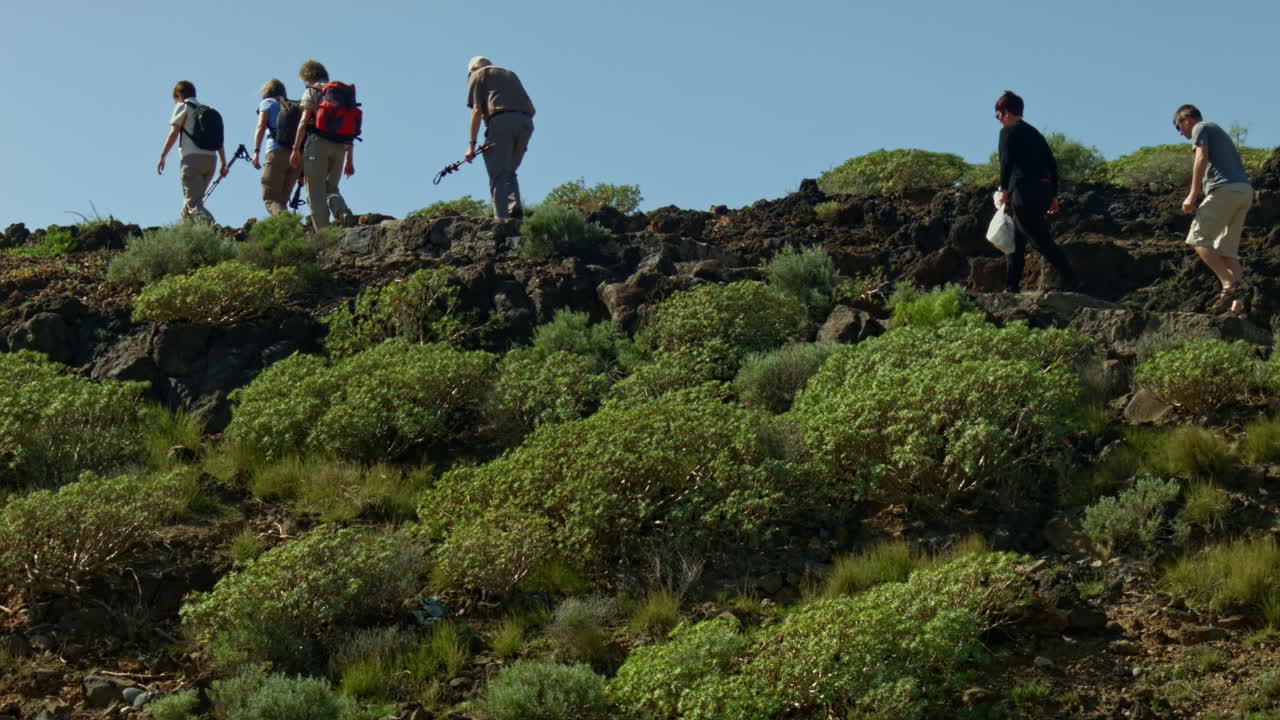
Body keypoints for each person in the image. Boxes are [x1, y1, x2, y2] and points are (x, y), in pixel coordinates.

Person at [1174, 104, 1254, 317]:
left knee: (1197, 237)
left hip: (1224, 190)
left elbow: (1201, 157)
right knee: (1227, 251)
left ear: (1186, 120)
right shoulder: (1218, 131)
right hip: (1243, 191)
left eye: (1177, 127)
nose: (1181, 134)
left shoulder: (1201, 127)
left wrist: (1192, 195)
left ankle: (1228, 284)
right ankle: (1239, 307)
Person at [994, 90, 1079, 293]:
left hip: (1023, 191)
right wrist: (1053, 194)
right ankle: (1011, 286)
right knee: (1017, 239)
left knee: (1037, 237)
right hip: (1042, 190)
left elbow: (1006, 163)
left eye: (998, 113)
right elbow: (1051, 163)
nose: (997, 118)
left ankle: (1071, 277)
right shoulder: (1034, 133)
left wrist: (1003, 189)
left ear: (1006, 112)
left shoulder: (1008, 132)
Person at [464, 56, 535, 219]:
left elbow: (476, 110)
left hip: (501, 121)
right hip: (526, 123)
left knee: (498, 173)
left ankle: (501, 220)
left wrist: (472, 145)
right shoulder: (510, 74)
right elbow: (533, 108)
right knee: (509, 170)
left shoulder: (478, 74)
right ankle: (515, 210)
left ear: (472, 69)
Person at [289, 60, 354, 230]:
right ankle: (342, 212)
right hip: (340, 147)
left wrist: (295, 149)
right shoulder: (341, 94)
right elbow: (350, 126)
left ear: (307, 76)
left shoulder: (313, 91)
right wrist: (349, 159)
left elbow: (303, 122)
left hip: (318, 144)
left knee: (315, 191)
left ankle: (324, 236)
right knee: (330, 187)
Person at [157, 81, 227, 224]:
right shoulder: (206, 111)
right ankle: (184, 234)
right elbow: (218, 140)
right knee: (191, 203)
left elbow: (174, 132)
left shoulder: (183, 107)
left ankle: (214, 230)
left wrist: (163, 155)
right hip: (211, 161)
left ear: (179, 95)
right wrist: (223, 162)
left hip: (192, 160)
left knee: (194, 204)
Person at [252, 79, 303, 216]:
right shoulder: (293, 106)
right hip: (296, 157)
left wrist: (256, 151)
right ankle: (290, 230)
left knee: (270, 199)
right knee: (281, 202)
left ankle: (289, 226)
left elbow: (261, 127)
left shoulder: (267, 103)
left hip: (276, 152)